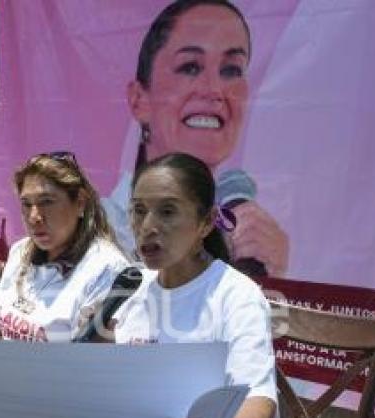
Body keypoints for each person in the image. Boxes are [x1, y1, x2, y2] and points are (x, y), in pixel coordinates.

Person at [43, 152, 278, 418]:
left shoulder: (235, 296)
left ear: (205, 222)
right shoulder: (131, 289)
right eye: (138, 211)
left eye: (167, 211)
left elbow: (258, 402)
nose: (147, 226)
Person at [103, 0, 289, 277]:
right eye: (190, 67)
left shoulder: (253, 235)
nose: (214, 89)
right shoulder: (97, 231)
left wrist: (272, 283)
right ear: (139, 99)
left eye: (231, 70)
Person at [0, 152, 128, 343]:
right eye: (27, 204)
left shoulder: (107, 269)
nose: (34, 217)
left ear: (80, 203)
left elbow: (94, 362)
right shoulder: (20, 251)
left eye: (47, 202)